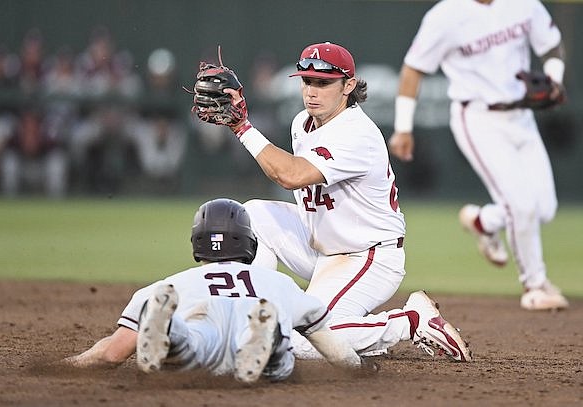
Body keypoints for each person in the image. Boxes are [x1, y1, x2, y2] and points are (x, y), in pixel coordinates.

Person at [194, 42, 472, 362]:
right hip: (321, 245)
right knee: (250, 216)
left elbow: (291, 176)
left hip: (367, 256)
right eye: (307, 81)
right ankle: (250, 316)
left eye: (324, 83)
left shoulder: (356, 134)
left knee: (303, 342)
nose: (312, 91)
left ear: (348, 86)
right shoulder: (303, 122)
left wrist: (241, 126)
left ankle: (410, 322)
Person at [388, 0, 568, 311]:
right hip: (477, 117)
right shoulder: (445, 15)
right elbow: (412, 69)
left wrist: (554, 79)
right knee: (521, 206)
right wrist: (403, 127)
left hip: (521, 115)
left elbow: (552, 46)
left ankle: (484, 221)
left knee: (545, 209)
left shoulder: (523, 4)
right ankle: (535, 285)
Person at [63, 198, 363, 383]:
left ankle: (173, 334)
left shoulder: (167, 286)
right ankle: (261, 342)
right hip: (255, 354)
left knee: (194, 341)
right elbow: (335, 350)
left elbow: (113, 354)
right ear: (248, 242)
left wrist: (65, 365)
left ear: (197, 243)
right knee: (277, 356)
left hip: (201, 354)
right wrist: (359, 367)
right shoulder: (279, 284)